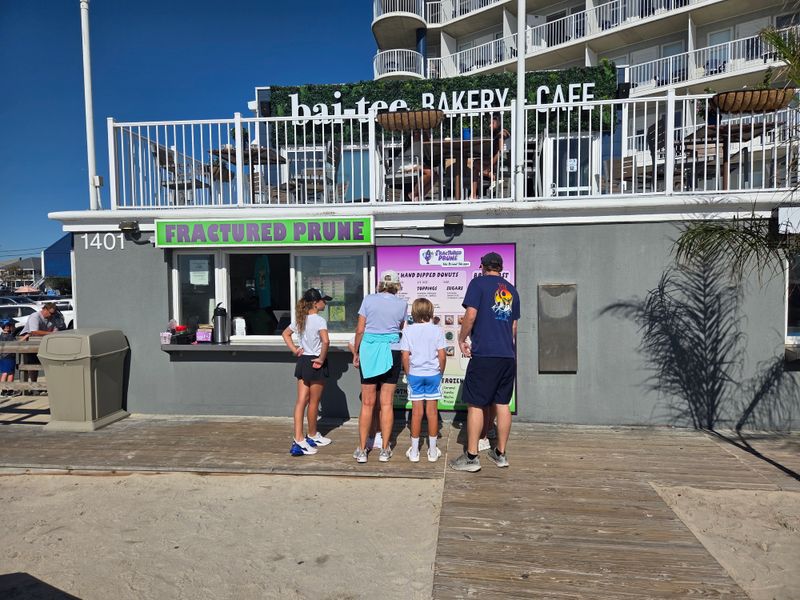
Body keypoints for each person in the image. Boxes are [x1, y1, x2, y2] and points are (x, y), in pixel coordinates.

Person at [450, 252, 520, 472]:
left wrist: (461, 339)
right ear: (501, 267)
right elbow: (514, 328)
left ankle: (471, 457)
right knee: (502, 404)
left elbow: (470, 315)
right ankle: (500, 454)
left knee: (476, 404)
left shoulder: (477, 284)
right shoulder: (512, 290)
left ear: (482, 266)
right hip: (507, 355)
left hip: (485, 355)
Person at [352, 270, 408, 464]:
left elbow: (360, 329)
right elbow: (400, 327)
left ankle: (362, 450)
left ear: (380, 284)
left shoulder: (368, 300)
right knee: (386, 404)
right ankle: (384, 449)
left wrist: (356, 352)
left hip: (369, 350)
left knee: (367, 403)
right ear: (396, 285)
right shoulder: (402, 304)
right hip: (392, 350)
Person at [281, 288, 333, 456]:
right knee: (314, 401)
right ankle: (310, 435)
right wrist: (321, 359)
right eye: (323, 300)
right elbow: (326, 341)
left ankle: (301, 437)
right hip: (315, 361)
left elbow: (285, 334)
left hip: (303, 362)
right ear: (315, 303)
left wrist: (295, 350)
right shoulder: (319, 320)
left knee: (301, 401)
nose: (324, 303)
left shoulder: (300, 319)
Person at [400, 298, 446, 463]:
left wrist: (408, 372)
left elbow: (405, 355)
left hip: (415, 374)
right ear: (430, 311)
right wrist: (440, 372)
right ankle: (432, 452)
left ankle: (414, 452)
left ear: (414, 312)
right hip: (433, 374)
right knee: (432, 413)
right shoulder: (437, 330)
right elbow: (442, 355)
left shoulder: (408, 331)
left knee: (417, 413)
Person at [19, 302, 57, 386]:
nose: (51, 315)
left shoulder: (52, 318)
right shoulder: (35, 316)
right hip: (29, 342)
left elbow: (55, 330)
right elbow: (34, 331)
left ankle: (49, 385)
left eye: (53, 313)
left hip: (42, 342)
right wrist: (50, 333)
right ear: (44, 309)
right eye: (50, 313)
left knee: (45, 363)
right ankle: (33, 385)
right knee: (32, 364)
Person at [401, 129, 436, 202]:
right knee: (429, 172)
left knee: (435, 175)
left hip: (413, 164)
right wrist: (426, 133)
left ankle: (419, 196)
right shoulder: (416, 142)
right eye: (416, 132)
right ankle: (413, 194)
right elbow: (428, 144)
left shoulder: (419, 143)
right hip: (404, 166)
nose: (418, 134)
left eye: (420, 132)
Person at [0, 318, 16, 392]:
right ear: (3, 327)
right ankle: (8, 390)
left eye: (9, 326)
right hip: (9, 356)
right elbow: (16, 343)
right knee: (9, 373)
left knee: (5, 372)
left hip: (3, 356)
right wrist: (26, 336)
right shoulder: (9, 336)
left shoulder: (2, 335)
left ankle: (5, 390)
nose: (9, 327)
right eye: (7, 326)